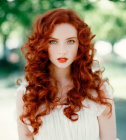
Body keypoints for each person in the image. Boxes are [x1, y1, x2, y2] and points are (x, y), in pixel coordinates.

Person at [16, 8, 118, 140]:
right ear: (42, 45)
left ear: (80, 45)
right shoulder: (26, 95)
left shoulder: (98, 91)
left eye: (70, 41)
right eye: (53, 41)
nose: (62, 51)